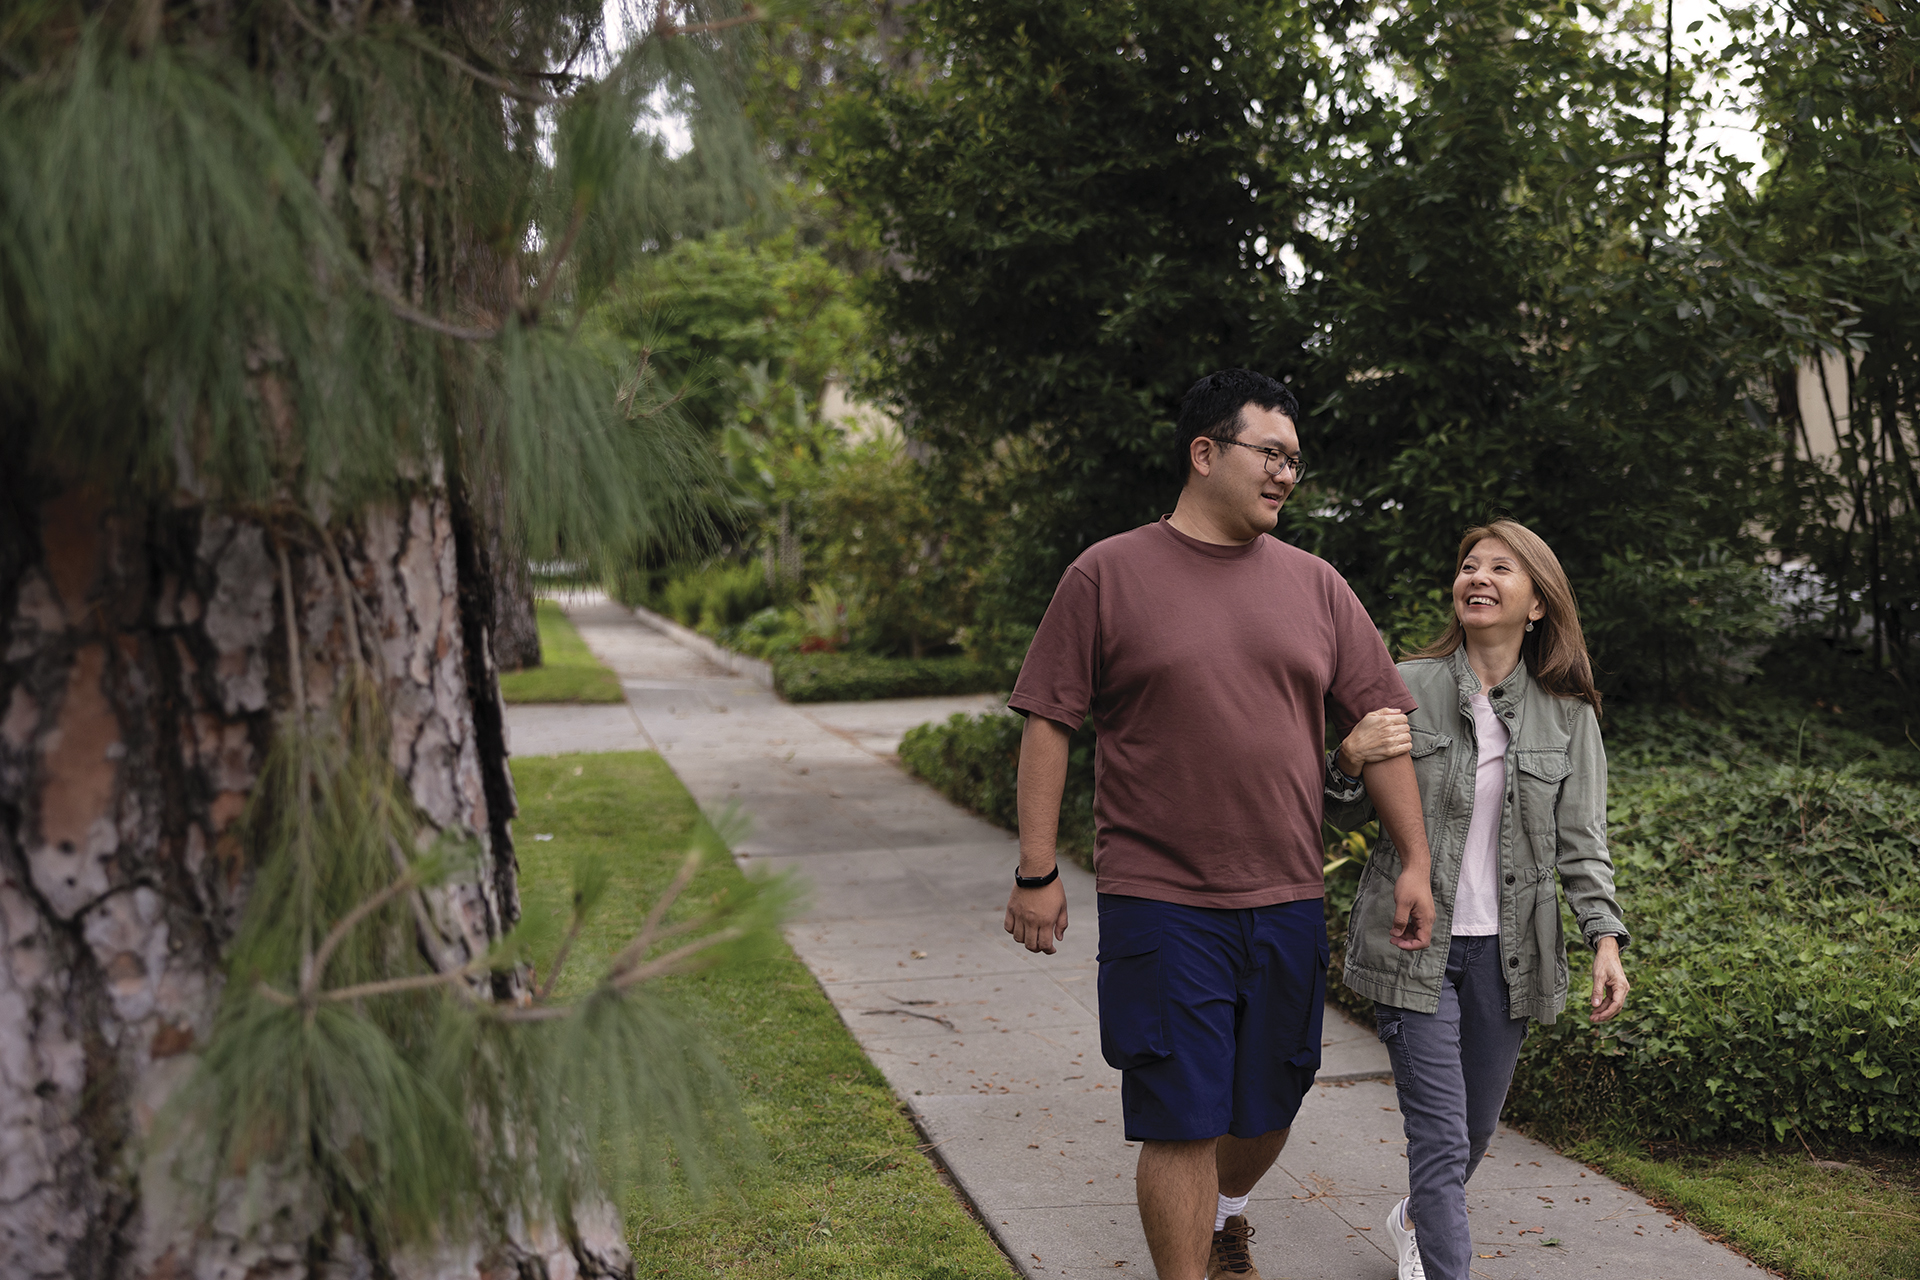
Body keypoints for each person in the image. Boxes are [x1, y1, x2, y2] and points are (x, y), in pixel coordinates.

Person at [1003, 368, 1438, 1280]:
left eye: (1295, 461)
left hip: (1283, 889)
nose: (1286, 475)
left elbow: (1386, 728)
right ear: (1205, 453)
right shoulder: (1107, 574)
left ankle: (1225, 1213)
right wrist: (1036, 872)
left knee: (1271, 1098)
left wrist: (1415, 862)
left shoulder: (1316, 586)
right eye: (1269, 454)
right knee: (1178, 1113)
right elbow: (1050, 721)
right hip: (1159, 897)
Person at [1326, 519, 1631, 1280]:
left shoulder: (1569, 712)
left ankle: (1417, 1218)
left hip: (1509, 954)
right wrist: (1345, 757)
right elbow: (1338, 806)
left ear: (1537, 604)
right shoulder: (1402, 686)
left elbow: (1581, 842)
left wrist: (1604, 939)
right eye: (1469, 565)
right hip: (1413, 946)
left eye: (1501, 567)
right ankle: (1441, 1260)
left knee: (1473, 1132)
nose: (1479, 577)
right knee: (1436, 1135)